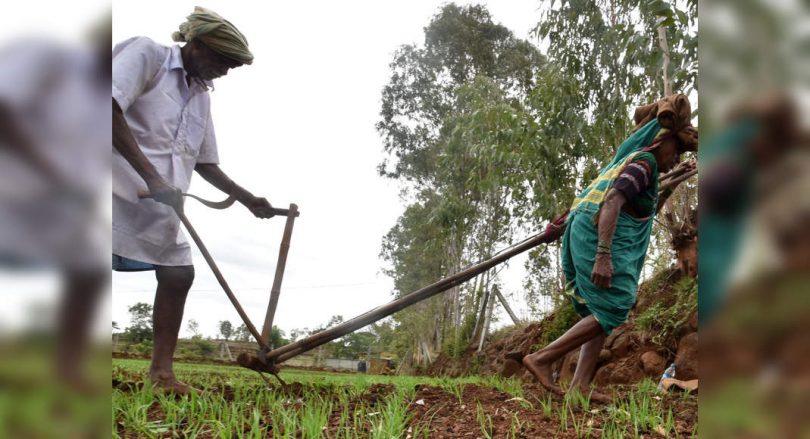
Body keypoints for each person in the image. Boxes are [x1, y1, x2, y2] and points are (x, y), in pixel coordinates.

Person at [112, 7, 275, 394]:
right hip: (104, 185)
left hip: (158, 201)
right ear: (198, 45)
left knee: (178, 272)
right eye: (223, 61)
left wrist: (247, 198)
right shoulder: (148, 55)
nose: (225, 71)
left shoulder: (200, 95)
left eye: (231, 67)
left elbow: (204, 162)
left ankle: (162, 376)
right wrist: (152, 176)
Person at [522, 94, 698, 402]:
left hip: (583, 230)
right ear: (662, 141)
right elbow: (614, 201)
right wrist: (603, 255)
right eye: (676, 153)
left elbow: (643, 210)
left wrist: (672, 182)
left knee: (600, 311)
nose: (675, 160)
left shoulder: (642, 168)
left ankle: (578, 388)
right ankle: (542, 358)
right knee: (616, 305)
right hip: (595, 235)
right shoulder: (644, 163)